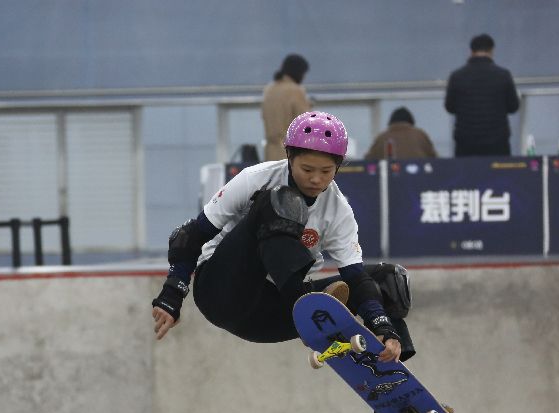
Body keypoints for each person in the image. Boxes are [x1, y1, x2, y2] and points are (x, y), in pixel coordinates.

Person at [151, 111, 416, 375]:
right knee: (278, 201)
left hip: (272, 313)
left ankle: (391, 378)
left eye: (326, 171)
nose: (316, 179)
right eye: (307, 169)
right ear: (289, 157)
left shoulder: (339, 211)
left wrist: (383, 326)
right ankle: (306, 307)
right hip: (222, 293)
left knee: (385, 281)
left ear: (338, 166)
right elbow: (189, 236)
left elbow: (356, 279)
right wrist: (172, 294)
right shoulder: (255, 178)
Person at [444, 34, 520, 157]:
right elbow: (513, 107)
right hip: (497, 142)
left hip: (466, 142)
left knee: (467, 175)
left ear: (471, 51)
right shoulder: (503, 75)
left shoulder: (457, 76)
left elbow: (450, 107)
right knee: (499, 176)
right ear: (491, 50)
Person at [261, 54, 312, 162]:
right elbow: (306, 124)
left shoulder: (269, 90)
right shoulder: (296, 91)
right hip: (291, 154)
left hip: (270, 153)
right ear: (298, 72)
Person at [365, 107, 437, 160]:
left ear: (391, 122)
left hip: (390, 178)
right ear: (411, 122)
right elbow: (435, 160)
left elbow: (368, 161)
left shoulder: (382, 138)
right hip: (418, 178)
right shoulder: (420, 135)